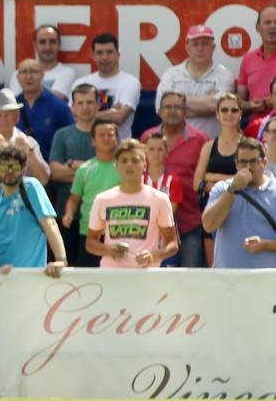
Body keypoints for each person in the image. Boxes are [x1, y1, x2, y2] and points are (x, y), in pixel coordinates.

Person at [86, 140, 178, 269]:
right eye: (124, 161)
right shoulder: (103, 199)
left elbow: (173, 243)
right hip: (112, 273)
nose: (129, 165)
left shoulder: (159, 199)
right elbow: (90, 243)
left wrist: (155, 254)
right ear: (116, 166)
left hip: (146, 275)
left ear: (144, 165)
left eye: (135, 161)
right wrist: (108, 250)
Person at [140, 92, 207, 267]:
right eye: (168, 107)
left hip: (189, 221)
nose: (172, 111)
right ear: (159, 111)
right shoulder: (148, 137)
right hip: (153, 227)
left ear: (185, 112)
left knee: (189, 276)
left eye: (177, 107)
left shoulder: (200, 139)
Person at [0, 145, 67, 274]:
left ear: (22, 169)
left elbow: (50, 223)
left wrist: (61, 259)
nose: (10, 171)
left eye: (15, 166)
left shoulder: (30, 187)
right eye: (4, 166)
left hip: (29, 275)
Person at [48, 84, 103, 263]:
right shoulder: (62, 135)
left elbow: (111, 170)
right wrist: (95, 172)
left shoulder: (107, 134)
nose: (85, 107)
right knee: (67, 265)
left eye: (89, 102)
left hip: (99, 216)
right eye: (80, 103)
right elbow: (55, 172)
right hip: (66, 213)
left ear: (98, 105)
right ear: (72, 107)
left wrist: (76, 166)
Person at [202, 137, 276, 268]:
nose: (248, 167)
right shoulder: (222, 188)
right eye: (243, 162)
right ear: (236, 164)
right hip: (229, 282)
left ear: (264, 163)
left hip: (268, 282)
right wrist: (232, 190)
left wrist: (265, 244)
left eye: (253, 161)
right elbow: (208, 225)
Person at [61, 119, 121, 265]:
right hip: (88, 234)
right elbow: (74, 198)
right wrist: (68, 213)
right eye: (101, 135)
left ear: (117, 140)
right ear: (93, 141)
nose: (106, 138)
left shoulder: (125, 168)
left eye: (110, 135)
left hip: (119, 233)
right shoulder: (84, 169)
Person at [160, 24, 234, 138]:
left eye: (205, 44)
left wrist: (178, 104)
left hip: (213, 143)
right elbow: (161, 109)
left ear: (213, 47)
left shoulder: (224, 74)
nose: (200, 48)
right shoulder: (171, 75)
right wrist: (208, 104)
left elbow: (219, 106)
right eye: (195, 44)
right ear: (187, 47)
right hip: (179, 143)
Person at [71, 33, 141, 135]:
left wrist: (83, 116)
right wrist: (110, 112)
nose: (104, 57)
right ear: (93, 55)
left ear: (118, 54)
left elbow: (119, 118)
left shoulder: (131, 82)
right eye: (99, 53)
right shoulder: (80, 83)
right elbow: (71, 117)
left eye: (109, 52)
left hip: (119, 147)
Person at [13, 58, 72, 161]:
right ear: (18, 77)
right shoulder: (12, 106)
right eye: (24, 72)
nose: (29, 76)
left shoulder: (58, 106)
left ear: (42, 75)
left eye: (33, 71)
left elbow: (70, 140)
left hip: (50, 172)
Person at [193, 92, 245, 199]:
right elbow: (196, 183)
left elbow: (248, 181)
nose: (229, 114)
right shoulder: (208, 147)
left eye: (234, 110)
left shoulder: (248, 145)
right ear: (217, 114)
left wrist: (212, 176)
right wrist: (233, 180)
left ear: (240, 114)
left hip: (240, 207)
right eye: (224, 110)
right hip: (212, 207)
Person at [6, 25, 76, 98]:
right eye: (42, 42)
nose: (47, 47)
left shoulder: (67, 73)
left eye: (52, 42)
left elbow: (54, 100)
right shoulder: (17, 74)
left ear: (59, 44)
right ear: (35, 45)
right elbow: (16, 103)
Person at [236, 5, 276, 116]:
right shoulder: (248, 60)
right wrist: (249, 105)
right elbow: (239, 101)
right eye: (267, 22)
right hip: (255, 129)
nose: (273, 26)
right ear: (258, 28)